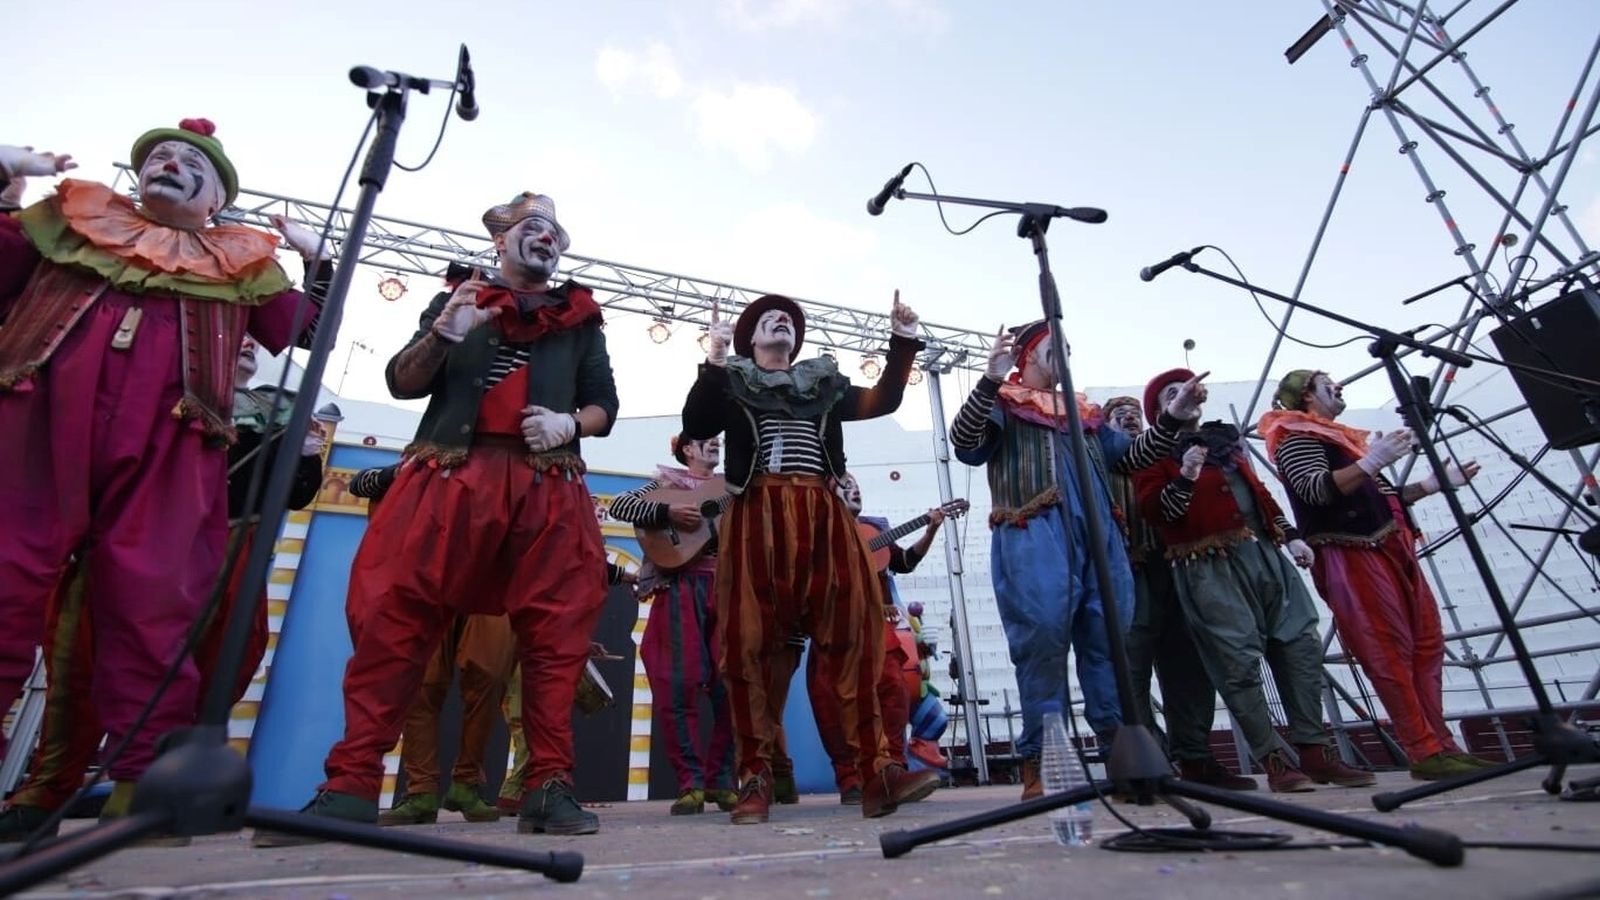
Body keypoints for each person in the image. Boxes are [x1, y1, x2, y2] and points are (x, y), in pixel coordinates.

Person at [256, 191, 617, 845]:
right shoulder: (458, 298)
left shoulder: (581, 319)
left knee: (557, 635)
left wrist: (569, 423)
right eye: (533, 227)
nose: (547, 238)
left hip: (547, 484)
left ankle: (548, 784)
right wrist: (443, 334)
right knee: (394, 618)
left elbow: (603, 405)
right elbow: (403, 380)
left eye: (555, 233)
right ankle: (351, 784)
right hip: (451, 474)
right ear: (500, 241)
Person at [0, 123, 326, 808]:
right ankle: (46, 784)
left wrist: (320, 263)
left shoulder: (238, 262)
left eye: (188, 161)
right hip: (37, 424)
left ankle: (143, 785)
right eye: (158, 156)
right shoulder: (75, 223)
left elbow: (305, 330)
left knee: (153, 609)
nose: (169, 163)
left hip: (168, 446)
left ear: (216, 202)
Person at [0, 338, 325, 842]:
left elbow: (298, 494)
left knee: (209, 668)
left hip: (225, 548)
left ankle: (154, 791)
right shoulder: (153, 384)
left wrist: (305, 456)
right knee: (81, 660)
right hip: (129, 534)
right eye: (236, 333)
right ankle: (46, 791)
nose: (246, 342)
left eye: (253, 339)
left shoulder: (277, 408)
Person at [681, 291, 941, 824]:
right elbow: (699, 421)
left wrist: (902, 342)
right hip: (758, 513)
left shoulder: (821, 385)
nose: (782, 320)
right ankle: (754, 777)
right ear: (751, 339)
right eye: (769, 318)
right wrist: (714, 359)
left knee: (853, 641)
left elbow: (883, 400)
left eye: (789, 319)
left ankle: (877, 772)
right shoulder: (733, 380)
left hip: (823, 513)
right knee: (749, 647)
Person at [950, 321, 1200, 800]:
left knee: (1109, 641)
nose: (1064, 352)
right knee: (1043, 639)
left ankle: (1121, 756)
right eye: (1054, 346)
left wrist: (1171, 418)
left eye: (1068, 346)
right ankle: (1043, 756)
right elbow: (966, 445)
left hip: (1100, 535)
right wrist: (989, 380)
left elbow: (1134, 457)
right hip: (1032, 530)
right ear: (1027, 354)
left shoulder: (1085, 413)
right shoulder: (1006, 401)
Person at [1134, 368, 1375, 792]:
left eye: (1186, 388)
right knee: (1237, 660)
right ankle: (1273, 758)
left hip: (1262, 552)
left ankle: (1315, 749)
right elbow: (1158, 512)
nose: (1184, 395)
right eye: (1171, 394)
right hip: (1207, 564)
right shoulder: (1152, 453)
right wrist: (1186, 477)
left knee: (1299, 645)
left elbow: (1259, 493)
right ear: (1159, 412)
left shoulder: (1225, 441)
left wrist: (1289, 535)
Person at [1259, 370, 1492, 780]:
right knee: (1388, 650)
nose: (1338, 387)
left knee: (1426, 645)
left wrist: (1430, 486)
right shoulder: (1295, 437)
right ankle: (1422, 750)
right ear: (1306, 396)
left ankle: (1442, 744)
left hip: (1392, 546)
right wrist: (1371, 461)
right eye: (1326, 383)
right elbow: (1315, 490)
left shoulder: (1339, 439)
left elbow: (1380, 496)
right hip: (1352, 550)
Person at [1101, 395, 1252, 791]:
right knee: (1130, 668)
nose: (1129, 418)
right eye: (1119, 415)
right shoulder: (1100, 461)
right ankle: (1147, 760)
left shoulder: (1166, 455)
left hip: (1174, 566)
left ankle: (1195, 755)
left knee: (1188, 663)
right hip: (1127, 571)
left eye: (1134, 414)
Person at [607, 434, 738, 816]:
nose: (715, 443)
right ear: (687, 450)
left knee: (735, 682)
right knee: (677, 684)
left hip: (727, 587)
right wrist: (668, 513)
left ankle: (722, 779)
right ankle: (690, 783)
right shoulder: (665, 483)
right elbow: (621, 505)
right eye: (704, 440)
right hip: (680, 586)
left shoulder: (733, 486)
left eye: (717, 439)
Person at [807, 472, 945, 804]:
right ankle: (850, 778)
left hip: (875, 626)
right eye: (846, 485)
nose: (855, 488)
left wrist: (931, 530)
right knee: (829, 700)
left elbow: (905, 562)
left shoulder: (874, 531)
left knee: (893, 690)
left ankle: (894, 768)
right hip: (832, 626)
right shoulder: (813, 534)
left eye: (857, 484)